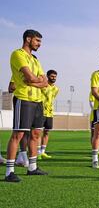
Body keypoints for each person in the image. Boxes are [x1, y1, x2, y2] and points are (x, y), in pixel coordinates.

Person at [5, 29, 49, 182]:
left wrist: (34, 81)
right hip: (23, 99)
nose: (39, 44)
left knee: (35, 134)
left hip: (38, 102)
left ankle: (32, 167)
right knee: (18, 135)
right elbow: (29, 77)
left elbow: (44, 82)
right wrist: (35, 80)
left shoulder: (36, 60)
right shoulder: (18, 54)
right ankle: (9, 171)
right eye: (37, 41)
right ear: (28, 39)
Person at [37, 70, 59, 159]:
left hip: (50, 113)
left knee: (46, 132)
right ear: (48, 76)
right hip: (41, 111)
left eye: (55, 77)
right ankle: (37, 152)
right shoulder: (43, 86)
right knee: (38, 132)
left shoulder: (56, 89)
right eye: (52, 76)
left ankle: (43, 151)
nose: (53, 78)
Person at [89, 92, 99, 157]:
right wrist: (98, 108)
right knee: (94, 134)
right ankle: (94, 150)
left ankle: (97, 150)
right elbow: (91, 104)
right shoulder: (93, 92)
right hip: (94, 116)